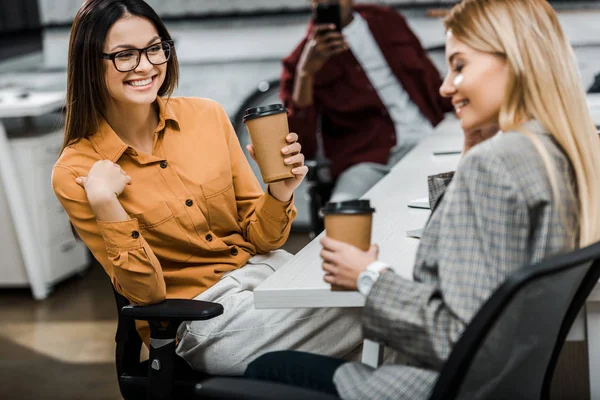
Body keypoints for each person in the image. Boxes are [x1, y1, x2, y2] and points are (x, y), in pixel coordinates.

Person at [246, 0, 600, 398]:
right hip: (507, 380)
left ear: (515, 60)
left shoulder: (495, 167)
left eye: (460, 66)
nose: (445, 86)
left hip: (437, 386)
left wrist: (369, 276)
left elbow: (458, 340)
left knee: (264, 366)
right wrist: (470, 155)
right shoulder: (565, 152)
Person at [51, 0, 363, 376]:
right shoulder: (76, 170)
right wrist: (105, 202)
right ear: (89, 62)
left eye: (154, 48)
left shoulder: (207, 116)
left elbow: (264, 240)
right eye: (124, 56)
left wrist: (280, 190)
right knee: (377, 310)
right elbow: (146, 296)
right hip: (206, 320)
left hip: (272, 275)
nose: (146, 66)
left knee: (374, 334)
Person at [281, 0, 452, 202]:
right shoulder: (300, 62)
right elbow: (300, 147)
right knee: (341, 220)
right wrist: (306, 74)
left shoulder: (388, 21)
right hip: (367, 160)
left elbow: (434, 84)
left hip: (426, 139)